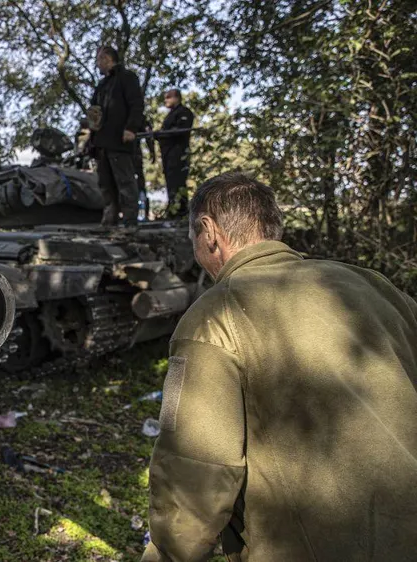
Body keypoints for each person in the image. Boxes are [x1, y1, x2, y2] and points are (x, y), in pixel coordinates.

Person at [142, 172, 417, 562]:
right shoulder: (372, 285)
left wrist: (166, 553)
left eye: (193, 239)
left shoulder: (214, 315)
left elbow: (197, 466)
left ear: (208, 232)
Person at [88, 46, 145, 227]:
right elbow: (94, 112)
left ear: (107, 59)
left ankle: (130, 220)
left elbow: (136, 104)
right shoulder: (102, 85)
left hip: (120, 139)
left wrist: (131, 128)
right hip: (101, 141)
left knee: (125, 180)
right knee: (105, 182)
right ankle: (110, 218)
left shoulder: (127, 78)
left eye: (99, 60)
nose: (97, 64)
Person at [157, 89, 195, 218]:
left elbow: (180, 130)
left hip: (178, 153)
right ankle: (174, 209)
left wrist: (163, 134)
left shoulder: (184, 113)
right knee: (170, 181)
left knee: (178, 181)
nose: (165, 100)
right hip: (168, 154)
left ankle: (180, 210)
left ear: (177, 98)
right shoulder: (170, 115)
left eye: (168, 97)